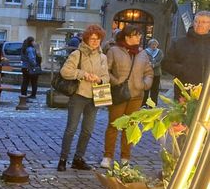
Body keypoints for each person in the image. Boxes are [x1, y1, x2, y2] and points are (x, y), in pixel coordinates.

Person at [57, 25, 109, 171]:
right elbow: (65, 71)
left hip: (95, 96)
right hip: (79, 95)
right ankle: (63, 159)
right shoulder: (77, 54)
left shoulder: (103, 57)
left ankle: (78, 158)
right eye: (92, 39)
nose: (95, 41)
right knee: (71, 129)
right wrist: (83, 74)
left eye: (97, 39)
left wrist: (99, 79)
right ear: (86, 39)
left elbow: (106, 77)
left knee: (88, 130)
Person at [101, 25, 153, 168]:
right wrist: (115, 81)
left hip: (136, 95)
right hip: (119, 94)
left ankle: (125, 157)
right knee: (113, 125)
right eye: (136, 35)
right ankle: (107, 156)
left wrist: (145, 84)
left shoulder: (142, 54)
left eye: (139, 35)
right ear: (127, 37)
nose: (139, 38)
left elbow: (149, 72)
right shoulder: (114, 51)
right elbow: (106, 70)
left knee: (130, 127)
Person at [162, 11, 210, 100]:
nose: (199, 24)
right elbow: (166, 64)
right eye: (196, 21)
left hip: (207, 95)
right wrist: (183, 70)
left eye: (204, 22)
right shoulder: (180, 43)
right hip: (184, 94)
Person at [142, 38, 163, 106]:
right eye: (152, 44)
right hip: (147, 73)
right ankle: (144, 103)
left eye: (155, 44)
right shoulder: (145, 51)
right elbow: (144, 60)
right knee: (146, 88)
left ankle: (153, 103)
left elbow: (160, 61)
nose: (154, 46)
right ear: (149, 45)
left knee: (155, 89)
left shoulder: (159, 52)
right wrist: (149, 64)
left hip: (156, 73)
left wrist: (153, 65)